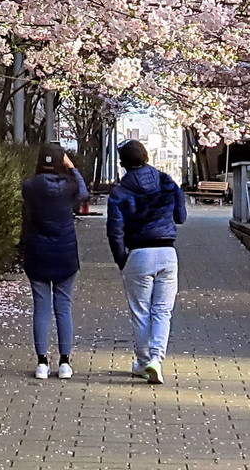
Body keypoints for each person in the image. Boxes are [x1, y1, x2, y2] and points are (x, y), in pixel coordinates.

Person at [105, 139, 186, 385]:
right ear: (146, 156)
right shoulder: (166, 181)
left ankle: (142, 362)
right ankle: (156, 360)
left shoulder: (120, 192)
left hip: (138, 254)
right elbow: (181, 216)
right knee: (163, 311)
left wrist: (122, 260)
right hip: (167, 253)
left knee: (141, 313)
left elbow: (115, 231)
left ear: (122, 163)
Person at [20, 143, 89, 379]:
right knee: (63, 307)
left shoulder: (30, 186)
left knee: (41, 307)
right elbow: (84, 193)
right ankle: (65, 363)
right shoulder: (70, 186)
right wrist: (72, 168)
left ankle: (41, 363)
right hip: (65, 253)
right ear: (63, 162)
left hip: (37, 251)